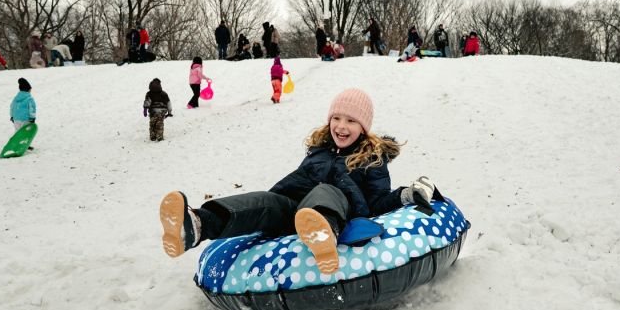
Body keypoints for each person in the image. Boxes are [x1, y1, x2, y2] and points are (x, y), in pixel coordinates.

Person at [158, 88, 435, 274]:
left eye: (350, 121)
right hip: (296, 209)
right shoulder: (319, 150)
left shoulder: (372, 158)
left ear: (363, 128)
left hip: (338, 211)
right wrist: (273, 202)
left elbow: (377, 201)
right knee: (264, 201)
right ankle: (196, 225)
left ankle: (323, 234)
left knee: (327, 190)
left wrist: (407, 194)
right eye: (336, 118)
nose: (341, 126)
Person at [10, 78, 36, 149]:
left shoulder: (16, 98)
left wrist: (12, 116)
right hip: (25, 119)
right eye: (30, 89)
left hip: (16, 118)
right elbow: (32, 109)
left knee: (18, 132)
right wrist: (32, 118)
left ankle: (17, 144)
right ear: (28, 89)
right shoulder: (29, 99)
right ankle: (24, 145)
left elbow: (12, 107)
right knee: (25, 132)